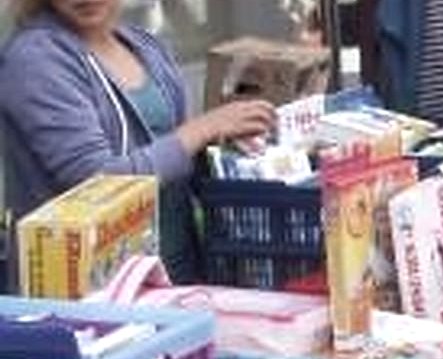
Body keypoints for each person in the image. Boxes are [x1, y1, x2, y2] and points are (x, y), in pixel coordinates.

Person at [0, 0, 276, 283]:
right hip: (89, 296)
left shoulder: (144, 45)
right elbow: (96, 184)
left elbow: (177, 156)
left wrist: (227, 147)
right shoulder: (36, 58)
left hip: (178, 275)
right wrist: (201, 130)